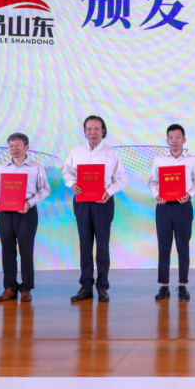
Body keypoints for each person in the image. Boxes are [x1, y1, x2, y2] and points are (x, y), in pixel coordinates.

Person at [62, 115, 127, 303]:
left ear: (103, 131)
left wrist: (109, 191)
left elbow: (121, 178)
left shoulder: (111, 153)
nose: (93, 132)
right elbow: (67, 172)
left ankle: (102, 286)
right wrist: (72, 183)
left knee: (102, 245)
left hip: (103, 202)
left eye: (97, 128)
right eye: (89, 128)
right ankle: (86, 286)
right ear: (84, 132)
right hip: (82, 202)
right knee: (85, 244)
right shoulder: (76, 152)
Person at [0, 133, 51, 303]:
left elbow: (45, 189)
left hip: (26, 211)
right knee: (7, 250)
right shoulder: (1, 168)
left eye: (18, 145)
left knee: (26, 250)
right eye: (11, 145)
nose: (14, 148)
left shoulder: (36, 167)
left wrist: (29, 203)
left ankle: (26, 288)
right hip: (5, 211)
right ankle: (10, 287)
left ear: (26, 147)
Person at [148, 124, 195, 301]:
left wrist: (190, 194)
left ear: (184, 140)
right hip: (163, 206)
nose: (174, 141)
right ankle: (164, 286)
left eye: (178, 137)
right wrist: (157, 195)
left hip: (183, 206)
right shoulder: (159, 160)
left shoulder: (192, 161)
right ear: (167, 141)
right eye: (171, 137)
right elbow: (152, 182)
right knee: (164, 247)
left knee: (182, 246)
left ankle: (182, 285)